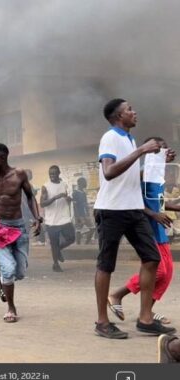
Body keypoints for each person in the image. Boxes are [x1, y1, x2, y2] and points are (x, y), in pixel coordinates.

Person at [93, 98, 174, 339]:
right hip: (111, 210)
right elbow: (109, 172)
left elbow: (128, 173)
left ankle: (145, 319)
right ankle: (102, 321)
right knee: (106, 264)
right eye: (129, 109)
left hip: (133, 208)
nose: (134, 112)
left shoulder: (129, 139)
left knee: (151, 259)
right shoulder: (110, 137)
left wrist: (158, 160)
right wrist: (142, 151)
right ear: (118, 116)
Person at [107, 137, 177, 333]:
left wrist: (174, 207)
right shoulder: (139, 174)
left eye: (165, 148)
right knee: (159, 271)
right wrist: (154, 214)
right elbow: (134, 200)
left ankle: (146, 313)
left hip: (158, 227)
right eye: (159, 148)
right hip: (145, 226)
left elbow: (158, 201)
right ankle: (117, 295)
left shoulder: (157, 175)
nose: (164, 151)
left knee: (168, 272)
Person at [0, 143, 42, 323]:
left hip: (19, 227)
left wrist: (37, 217)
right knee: (9, 268)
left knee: (19, 272)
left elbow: (29, 196)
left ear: (2, 158)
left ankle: (2, 279)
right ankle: (11, 308)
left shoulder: (19, 174)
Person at [40, 165, 75, 272]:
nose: (52, 176)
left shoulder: (64, 184)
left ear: (59, 173)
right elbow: (42, 203)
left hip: (64, 218)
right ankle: (55, 264)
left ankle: (58, 250)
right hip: (52, 221)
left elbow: (67, 199)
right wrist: (56, 197)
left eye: (54, 173)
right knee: (54, 243)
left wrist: (68, 199)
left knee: (71, 238)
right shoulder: (45, 186)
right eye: (50, 174)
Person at [72, 177, 95, 245]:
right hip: (79, 215)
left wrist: (88, 214)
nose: (86, 184)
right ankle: (78, 245)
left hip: (85, 215)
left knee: (92, 228)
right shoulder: (75, 193)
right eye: (84, 182)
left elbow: (85, 204)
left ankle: (86, 243)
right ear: (80, 183)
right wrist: (78, 216)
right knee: (78, 230)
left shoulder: (84, 193)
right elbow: (74, 206)